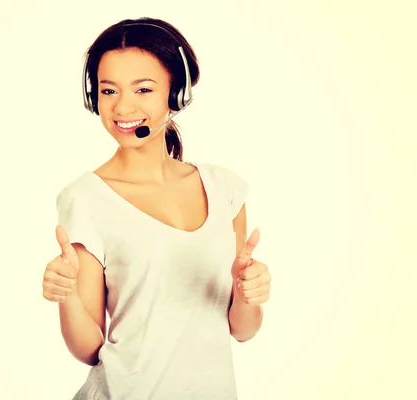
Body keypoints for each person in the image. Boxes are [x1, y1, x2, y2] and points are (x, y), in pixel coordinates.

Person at [41, 17, 272, 400]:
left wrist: (249, 295)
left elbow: (242, 330)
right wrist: (65, 295)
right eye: (108, 90)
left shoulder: (224, 189)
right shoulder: (86, 198)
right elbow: (88, 350)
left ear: (176, 93)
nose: (122, 107)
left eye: (143, 89)